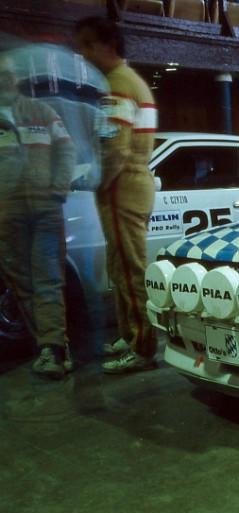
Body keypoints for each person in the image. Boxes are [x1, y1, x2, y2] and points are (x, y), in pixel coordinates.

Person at [74, 17, 158, 374]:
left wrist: (97, 181)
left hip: (122, 186)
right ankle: (129, 333)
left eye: (88, 45)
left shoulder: (118, 85)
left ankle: (142, 347)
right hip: (130, 184)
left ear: (107, 45)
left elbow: (116, 150)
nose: (83, 54)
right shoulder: (129, 81)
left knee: (128, 270)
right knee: (120, 266)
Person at [0, 55, 76, 379]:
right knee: (21, 283)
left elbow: (67, 150)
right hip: (7, 212)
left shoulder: (42, 112)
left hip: (45, 209)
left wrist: (58, 190)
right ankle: (48, 345)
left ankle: (53, 351)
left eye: (6, 74)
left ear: (14, 79)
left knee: (47, 280)